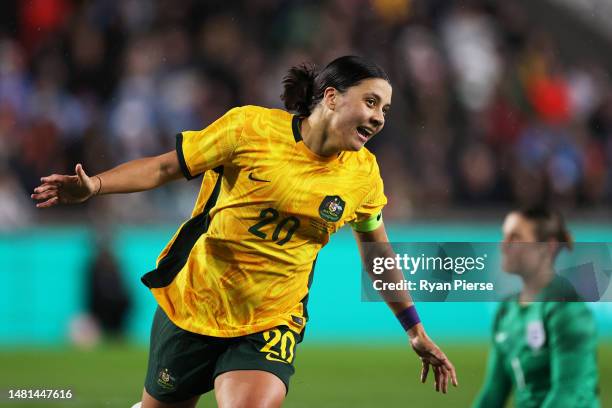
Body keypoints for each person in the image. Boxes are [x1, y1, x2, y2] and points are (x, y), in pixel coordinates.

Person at [32, 56, 457, 408]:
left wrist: (414, 329)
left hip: (271, 320)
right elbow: (165, 167)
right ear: (331, 97)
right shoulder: (249, 129)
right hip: (195, 302)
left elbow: (377, 255)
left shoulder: (364, 175)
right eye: (371, 102)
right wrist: (96, 185)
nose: (379, 117)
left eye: (385, 109)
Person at [473, 207, 600, 408]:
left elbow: (568, 394)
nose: (503, 245)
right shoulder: (506, 312)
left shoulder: (568, 310)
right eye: (504, 236)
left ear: (547, 247)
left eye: (514, 238)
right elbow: (493, 393)